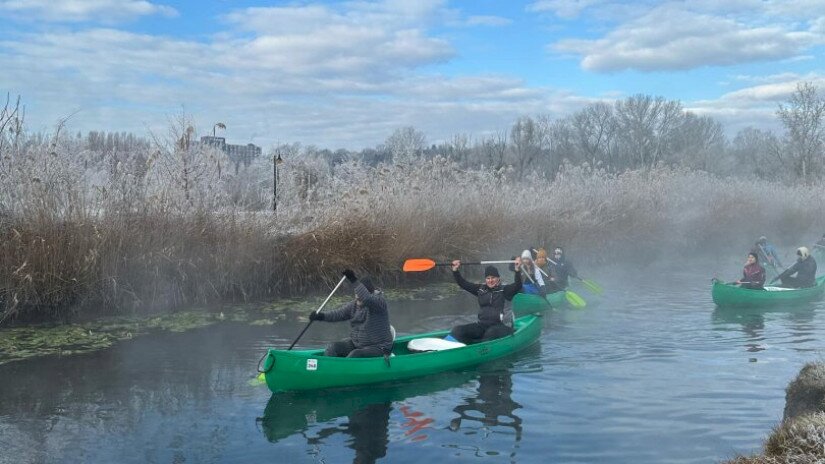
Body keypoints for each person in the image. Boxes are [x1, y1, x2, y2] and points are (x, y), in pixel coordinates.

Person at [309, 269, 393, 357]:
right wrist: (320, 316)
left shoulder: (379, 303)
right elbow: (338, 314)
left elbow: (367, 298)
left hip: (379, 348)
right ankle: (328, 368)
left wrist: (353, 279)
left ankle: (343, 369)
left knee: (355, 354)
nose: (357, 297)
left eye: (360, 295)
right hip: (357, 344)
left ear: (370, 293)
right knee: (333, 347)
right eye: (356, 293)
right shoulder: (354, 305)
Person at [448, 258, 522, 344]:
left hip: (501, 327)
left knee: (490, 334)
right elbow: (463, 283)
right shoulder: (480, 290)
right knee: (457, 330)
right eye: (488, 278)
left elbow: (518, 285)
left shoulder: (505, 290)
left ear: (498, 278)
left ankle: (480, 346)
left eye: (493, 278)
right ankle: (469, 347)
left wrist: (517, 271)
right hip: (482, 326)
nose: (490, 280)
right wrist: (455, 270)